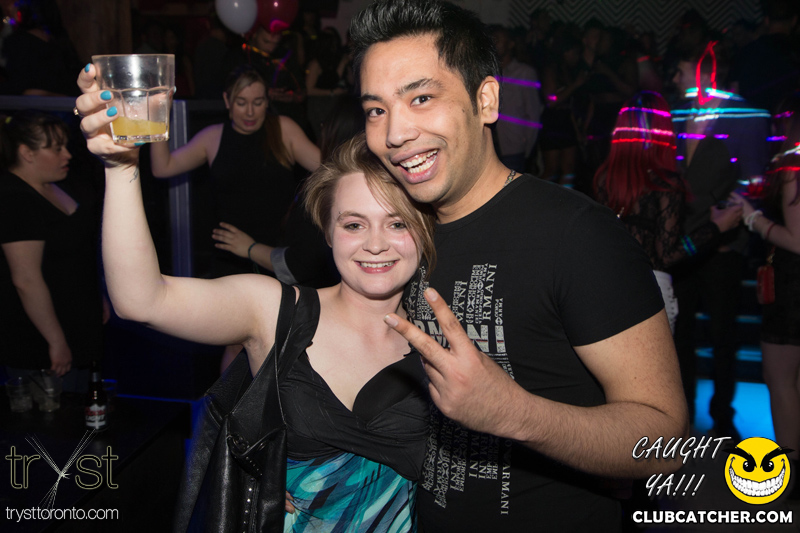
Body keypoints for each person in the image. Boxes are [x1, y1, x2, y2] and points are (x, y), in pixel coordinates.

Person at [349, 0, 688, 530]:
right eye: (376, 110)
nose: (394, 133)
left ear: (485, 100)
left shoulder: (579, 235)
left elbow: (666, 443)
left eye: (421, 98)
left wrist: (514, 413)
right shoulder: (399, 235)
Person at [78, 61, 436, 528]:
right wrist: (120, 166)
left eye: (397, 223)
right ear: (327, 232)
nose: (375, 244)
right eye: (353, 224)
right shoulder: (274, 310)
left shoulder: (444, 331)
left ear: (425, 232)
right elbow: (140, 299)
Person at [670, 42, 770, 439]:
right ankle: (683, 416)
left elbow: (755, 182)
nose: (675, 79)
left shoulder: (745, 116)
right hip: (681, 245)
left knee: (722, 337)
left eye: (681, 71)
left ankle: (722, 419)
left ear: (703, 74)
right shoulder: (677, 114)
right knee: (680, 335)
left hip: (722, 245)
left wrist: (732, 232)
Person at [593, 91, 743, 333]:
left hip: (608, 284)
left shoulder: (605, 179)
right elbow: (667, 254)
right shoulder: (664, 183)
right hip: (649, 289)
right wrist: (716, 227)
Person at [0, 110, 105, 391]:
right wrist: (56, 341)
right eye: (56, 149)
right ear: (27, 153)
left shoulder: (59, 185)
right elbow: (26, 280)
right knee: (54, 415)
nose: (67, 155)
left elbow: (77, 256)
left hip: (77, 326)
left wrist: (98, 299)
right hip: (40, 341)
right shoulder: (14, 198)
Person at [731, 92, 800, 464]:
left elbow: (798, 240)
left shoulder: (793, 167)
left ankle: (791, 470)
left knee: (780, 381)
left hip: (793, 286)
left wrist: (753, 218)